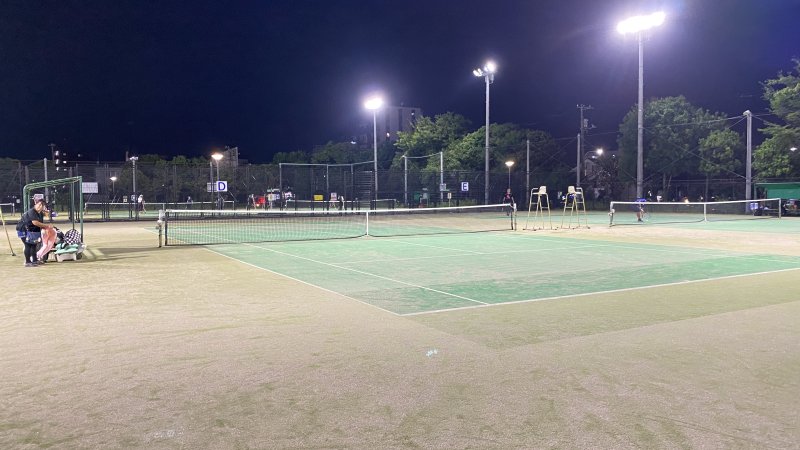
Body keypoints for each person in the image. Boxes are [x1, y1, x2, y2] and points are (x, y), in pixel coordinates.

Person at [17, 199, 53, 267]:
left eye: (42, 205)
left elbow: (40, 223)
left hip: (32, 231)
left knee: (34, 245)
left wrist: (46, 227)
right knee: (28, 245)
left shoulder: (40, 213)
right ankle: (27, 262)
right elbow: (35, 223)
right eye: (39, 204)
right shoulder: (32, 211)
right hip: (23, 230)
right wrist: (47, 226)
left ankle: (35, 261)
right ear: (35, 204)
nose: (40, 206)